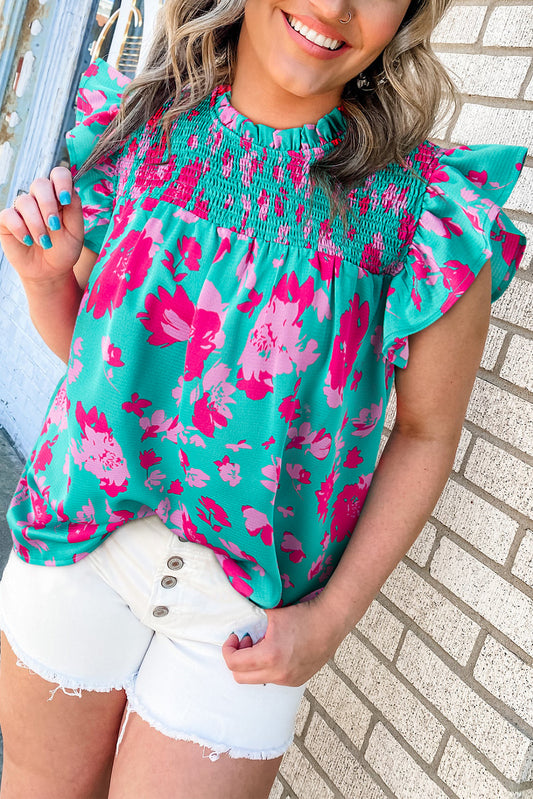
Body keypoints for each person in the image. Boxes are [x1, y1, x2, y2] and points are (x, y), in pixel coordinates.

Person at [0, 0, 527, 794]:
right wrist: (46, 285)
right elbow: (99, 360)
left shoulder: (425, 212)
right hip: (78, 553)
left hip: (244, 627)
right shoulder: (138, 131)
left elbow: (423, 432)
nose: (335, 7)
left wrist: (331, 617)